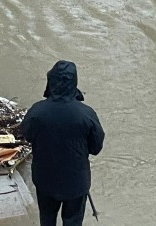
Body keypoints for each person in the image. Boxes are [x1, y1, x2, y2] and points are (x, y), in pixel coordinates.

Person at [21, 61, 105, 226]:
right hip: (76, 183)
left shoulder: (37, 112)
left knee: (47, 219)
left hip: (45, 181)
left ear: (51, 81)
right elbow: (96, 147)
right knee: (73, 221)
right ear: (74, 82)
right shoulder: (86, 114)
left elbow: (27, 135)